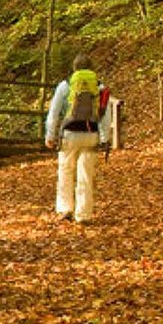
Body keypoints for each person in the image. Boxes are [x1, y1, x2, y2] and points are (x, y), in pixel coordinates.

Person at [44, 53, 113, 223]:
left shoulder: (65, 86)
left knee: (65, 171)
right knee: (85, 175)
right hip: (91, 135)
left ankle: (65, 208)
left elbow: (53, 113)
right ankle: (83, 215)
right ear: (91, 69)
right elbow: (105, 117)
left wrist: (50, 135)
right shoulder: (99, 87)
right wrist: (105, 139)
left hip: (69, 135)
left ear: (74, 68)